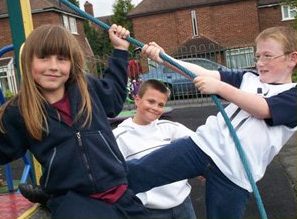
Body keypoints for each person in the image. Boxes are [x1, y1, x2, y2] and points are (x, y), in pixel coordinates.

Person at [126, 26, 297, 219]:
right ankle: (95, 194)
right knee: (137, 172)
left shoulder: (293, 95)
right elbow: (201, 72)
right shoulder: (248, 78)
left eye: (267, 56)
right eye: (257, 56)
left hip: (235, 174)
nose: (260, 63)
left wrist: (221, 88)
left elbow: (262, 108)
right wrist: (164, 58)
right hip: (202, 147)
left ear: (292, 58)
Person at [0, 24, 149, 219]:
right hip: (74, 199)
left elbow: (113, 99)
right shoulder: (21, 110)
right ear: (28, 61)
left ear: (72, 64)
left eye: (62, 59)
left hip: (118, 190)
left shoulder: (86, 88)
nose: (53, 66)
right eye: (44, 58)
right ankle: (47, 195)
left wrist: (120, 50)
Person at [113, 79, 196, 219]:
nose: (155, 108)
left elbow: (200, 144)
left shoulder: (169, 128)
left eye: (161, 105)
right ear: (137, 100)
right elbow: (114, 176)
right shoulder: (120, 136)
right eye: (151, 101)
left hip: (183, 204)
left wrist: (202, 169)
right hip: (150, 211)